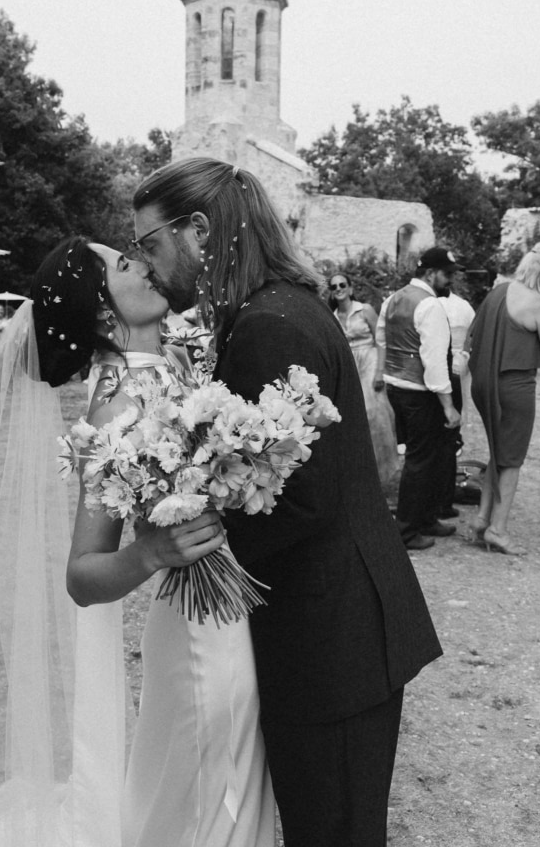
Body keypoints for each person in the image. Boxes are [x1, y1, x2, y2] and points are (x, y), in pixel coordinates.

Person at [132, 157, 442, 847]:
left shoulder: (268, 325)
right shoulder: (274, 308)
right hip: (334, 627)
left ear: (198, 232)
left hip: (330, 640)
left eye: (149, 244)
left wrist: (193, 533)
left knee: (332, 831)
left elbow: (302, 499)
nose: (147, 265)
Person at [0, 236, 274, 847]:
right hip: (198, 625)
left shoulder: (181, 363)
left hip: (223, 606)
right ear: (103, 312)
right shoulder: (114, 408)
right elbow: (81, 575)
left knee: (218, 784)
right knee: (213, 789)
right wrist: (150, 553)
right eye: (126, 265)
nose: (146, 263)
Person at [375, 247, 462, 550]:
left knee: (426, 456)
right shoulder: (430, 306)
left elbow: (382, 340)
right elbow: (435, 360)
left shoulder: (393, 298)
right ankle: (408, 530)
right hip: (421, 392)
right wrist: (449, 406)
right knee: (421, 460)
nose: (451, 280)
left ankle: (426, 519)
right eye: (448, 274)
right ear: (430, 273)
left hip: (397, 387)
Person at [465, 244, 540, 555]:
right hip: (515, 387)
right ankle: (498, 530)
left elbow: (473, 336)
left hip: (484, 383)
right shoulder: (538, 303)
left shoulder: (498, 291)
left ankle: (481, 521)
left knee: (498, 452)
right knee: (511, 460)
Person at [328, 272, 399, 489]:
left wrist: (380, 371)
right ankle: (359, 471)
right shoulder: (331, 315)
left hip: (369, 359)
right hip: (349, 364)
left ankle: (387, 471)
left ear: (350, 288)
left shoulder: (365, 310)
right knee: (350, 415)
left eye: (342, 285)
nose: (338, 289)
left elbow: (381, 340)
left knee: (374, 413)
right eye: (334, 286)